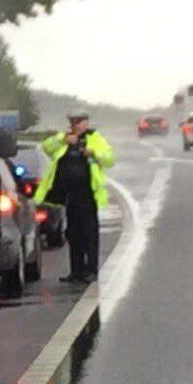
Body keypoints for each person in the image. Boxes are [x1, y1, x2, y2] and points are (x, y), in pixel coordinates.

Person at [35, 110, 115, 284]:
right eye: (73, 122)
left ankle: (91, 270)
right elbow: (46, 147)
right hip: (69, 196)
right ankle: (76, 271)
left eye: (79, 122)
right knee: (73, 234)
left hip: (88, 194)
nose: (76, 125)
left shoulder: (95, 139)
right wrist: (63, 139)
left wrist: (93, 153)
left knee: (90, 235)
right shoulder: (64, 139)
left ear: (86, 122)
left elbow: (109, 159)